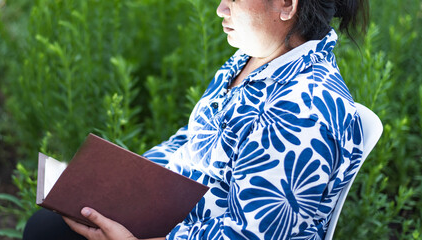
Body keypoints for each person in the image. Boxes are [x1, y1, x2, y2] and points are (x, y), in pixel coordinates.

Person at [23, 0, 369, 239]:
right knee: (52, 223)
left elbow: (250, 235)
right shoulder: (253, 58)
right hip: (172, 213)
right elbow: (194, 141)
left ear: (286, 5)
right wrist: (117, 181)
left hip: (190, 230)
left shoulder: (305, 109)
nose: (220, 9)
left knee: (46, 232)